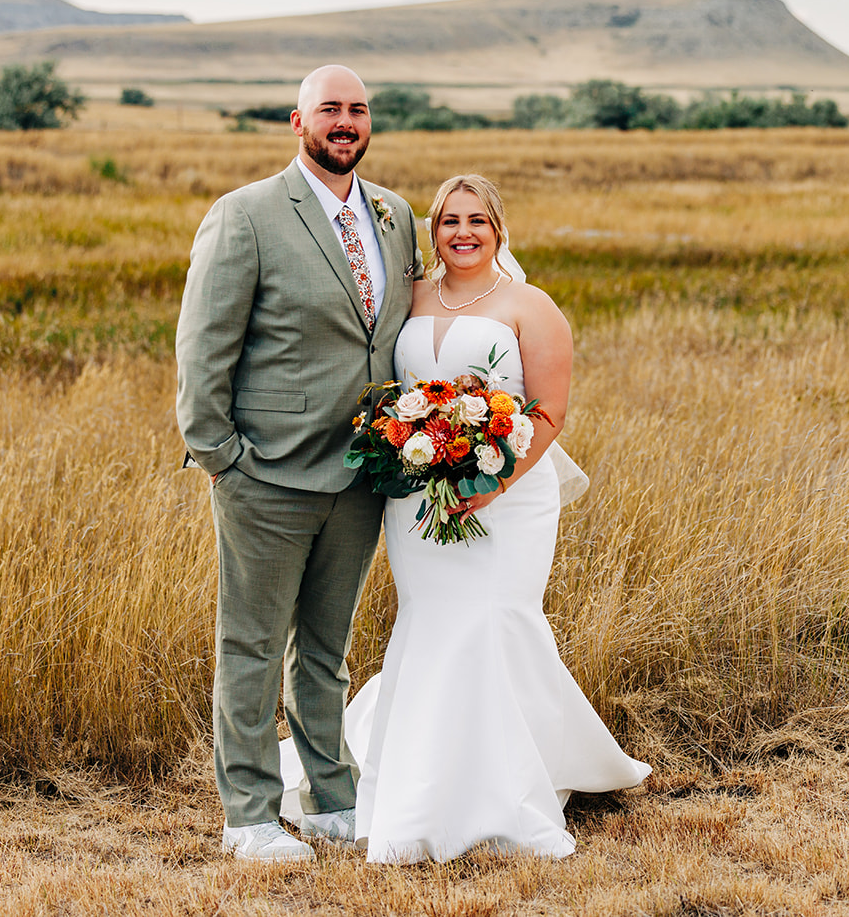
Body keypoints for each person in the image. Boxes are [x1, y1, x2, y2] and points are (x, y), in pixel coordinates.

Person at [279, 174, 650, 863]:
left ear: (499, 228)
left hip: (510, 494)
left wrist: (494, 480)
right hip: (417, 493)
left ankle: (506, 789)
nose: (463, 232)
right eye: (450, 220)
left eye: (477, 219)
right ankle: (422, 784)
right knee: (432, 621)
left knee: (492, 618)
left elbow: (547, 411)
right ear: (433, 230)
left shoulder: (530, 305)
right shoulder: (409, 297)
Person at [175, 65, 422, 863]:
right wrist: (221, 455)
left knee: (326, 648)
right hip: (267, 475)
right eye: (329, 110)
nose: (344, 122)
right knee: (250, 646)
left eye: (356, 109)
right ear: (298, 122)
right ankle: (247, 813)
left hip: (361, 473)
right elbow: (203, 345)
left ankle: (331, 798)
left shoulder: (395, 214)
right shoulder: (244, 215)